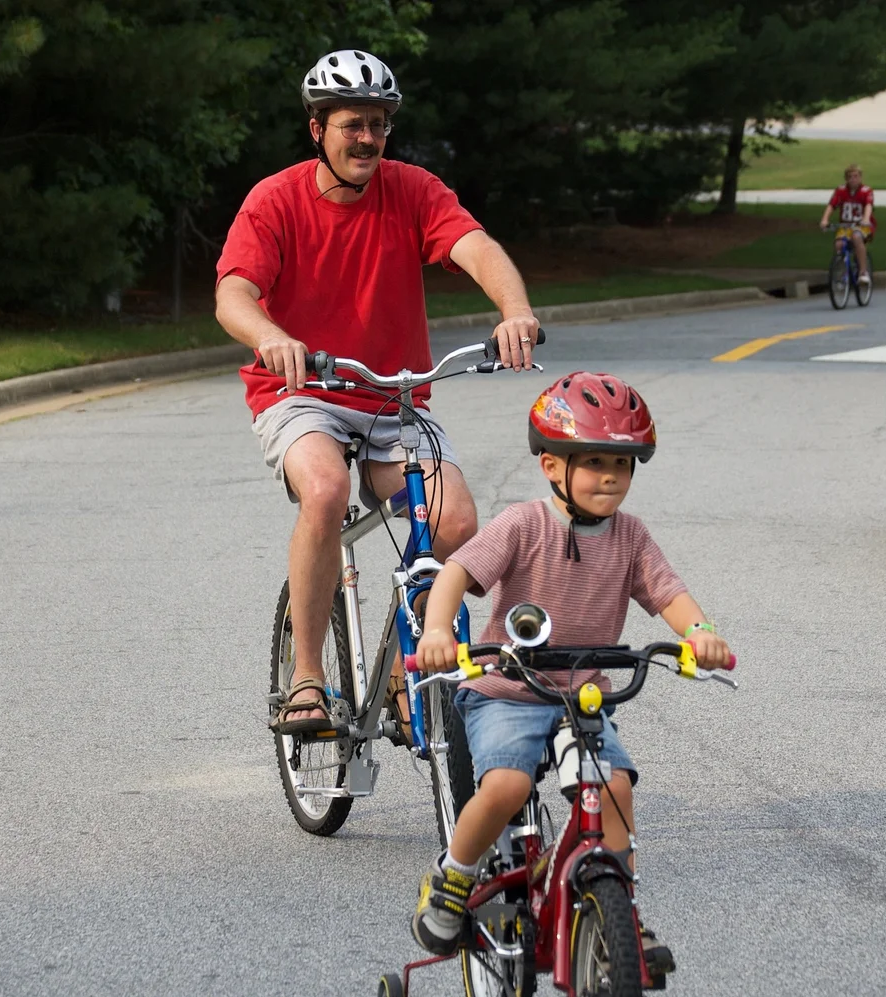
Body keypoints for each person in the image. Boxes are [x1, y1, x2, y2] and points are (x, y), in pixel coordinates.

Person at [214, 50, 541, 737]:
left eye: (379, 125)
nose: (368, 139)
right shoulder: (274, 200)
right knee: (326, 490)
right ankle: (308, 676)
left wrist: (515, 311)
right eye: (353, 125)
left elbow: (476, 247)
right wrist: (271, 336)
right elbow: (234, 293)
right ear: (317, 130)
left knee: (455, 524)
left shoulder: (413, 189)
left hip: (395, 399)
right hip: (302, 391)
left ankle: (401, 667)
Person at [408, 372, 734, 970]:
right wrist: (436, 632)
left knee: (615, 789)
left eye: (622, 464)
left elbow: (668, 593)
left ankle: (621, 907)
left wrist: (700, 634)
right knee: (505, 788)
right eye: (595, 462)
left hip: (581, 698)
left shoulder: (630, 536)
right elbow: (456, 573)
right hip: (508, 691)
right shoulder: (524, 524)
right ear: (552, 466)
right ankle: (453, 874)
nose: (611, 476)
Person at [820, 163, 876, 284]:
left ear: (860, 177)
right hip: (845, 225)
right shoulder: (840, 191)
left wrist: (866, 219)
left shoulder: (866, 191)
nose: (853, 179)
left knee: (856, 237)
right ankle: (841, 273)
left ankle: (863, 272)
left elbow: (868, 205)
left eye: (856, 176)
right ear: (846, 178)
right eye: (850, 177)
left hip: (862, 226)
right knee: (839, 244)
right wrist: (825, 219)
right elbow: (832, 205)